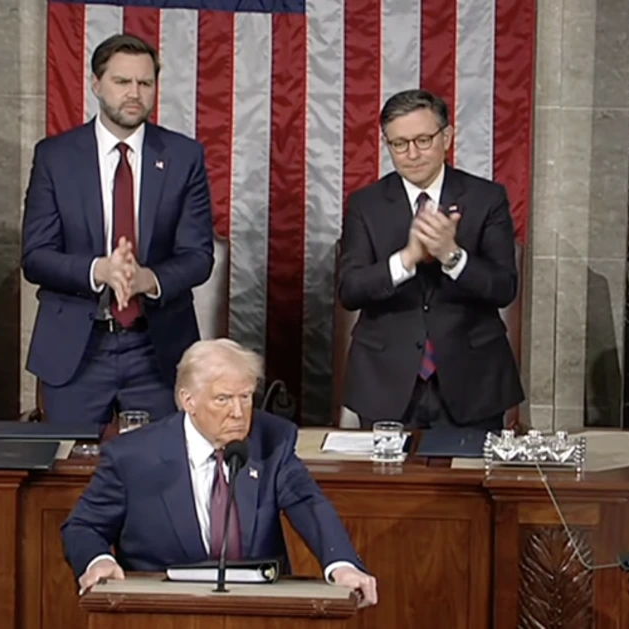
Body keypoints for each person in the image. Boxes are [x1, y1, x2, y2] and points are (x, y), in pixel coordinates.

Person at [62, 339, 378, 608]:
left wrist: (342, 565)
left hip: (257, 611)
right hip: (162, 611)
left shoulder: (271, 439)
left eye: (246, 397)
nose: (239, 413)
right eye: (223, 399)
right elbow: (83, 526)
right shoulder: (132, 456)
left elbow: (308, 504)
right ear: (188, 400)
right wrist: (97, 560)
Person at [22, 33, 214, 430]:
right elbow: (36, 256)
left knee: (161, 476)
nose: (134, 94)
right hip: (77, 348)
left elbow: (198, 256)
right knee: (68, 475)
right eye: (122, 82)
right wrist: (100, 271)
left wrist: (149, 278)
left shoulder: (183, 156)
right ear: (96, 84)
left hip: (157, 349)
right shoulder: (55, 157)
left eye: (145, 83)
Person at [337, 89, 524, 432]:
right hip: (385, 381)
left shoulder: (487, 198)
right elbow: (350, 290)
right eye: (399, 144)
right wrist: (407, 259)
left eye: (423, 140)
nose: (412, 154)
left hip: (473, 380)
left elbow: (504, 288)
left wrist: (451, 256)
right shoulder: (366, 204)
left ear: (447, 137)